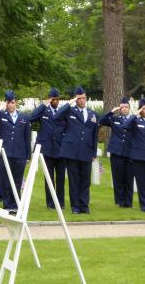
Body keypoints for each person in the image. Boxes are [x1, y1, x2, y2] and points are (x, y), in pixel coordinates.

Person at [0, 90, 32, 212]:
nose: (10, 105)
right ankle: (7, 205)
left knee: (17, 180)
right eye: (8, 103)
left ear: (15, 102)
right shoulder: (0, 115)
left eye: (12, 102)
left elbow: (27, 138)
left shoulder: (24, 118)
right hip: (4, 154)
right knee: (5, 180)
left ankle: (15, 204)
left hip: (19, 153)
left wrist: (28, 156)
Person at [55, 86, 99, 214]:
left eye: (83, 98)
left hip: (86, 151)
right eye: (79, 98)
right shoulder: (69, 111)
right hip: (72, 151)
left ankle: (84, 205)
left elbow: (94, 134)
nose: (82, 101)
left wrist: (94, 152)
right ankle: (75, 206)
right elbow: (57, 116)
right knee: (74, 180)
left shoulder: (93, 114)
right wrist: (70, 103)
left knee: (85, 180)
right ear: (75, 99)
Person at [29, 88, 66, 209]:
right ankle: (50, 203)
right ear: (49, 99)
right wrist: (43, 104)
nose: (55, 101)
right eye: (53, 99)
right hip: (47, 149)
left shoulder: (62, 111)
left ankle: (60, 202)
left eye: (57, 99)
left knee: (60, 178)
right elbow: (31, 117)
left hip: (60, 149)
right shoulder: (43, 112)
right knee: (49, 178)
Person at [100, 96, 134, 208]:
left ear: (129, 108)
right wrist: (111, 111)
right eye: (122, 107)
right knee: (118, 177)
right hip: (116, 152)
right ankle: (120, 201)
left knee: (129, 178)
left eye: (126, 107)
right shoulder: (114, 119)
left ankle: (128, 202)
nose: (124, 109)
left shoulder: (133, 120)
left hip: (129, 152)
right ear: (119, 108)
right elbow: (102, 120)